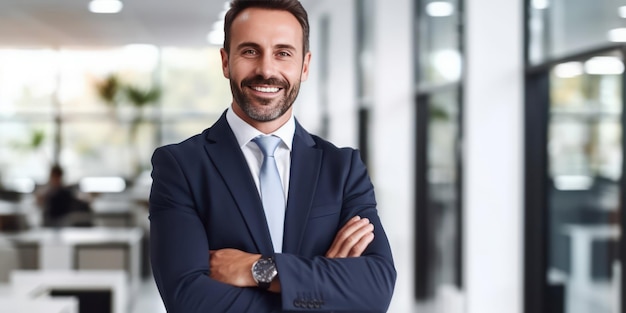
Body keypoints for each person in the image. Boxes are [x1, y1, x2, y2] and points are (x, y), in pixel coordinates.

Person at [148, 0, 396, 312]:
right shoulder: (181, 166)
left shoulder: (342, 168)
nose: (266, 69)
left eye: (283, 53)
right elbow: (188, 299)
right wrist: (321, 288)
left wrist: (258, 269)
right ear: (226, 61)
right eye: (250, 51)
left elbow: (376, 288)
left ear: (304, 66)